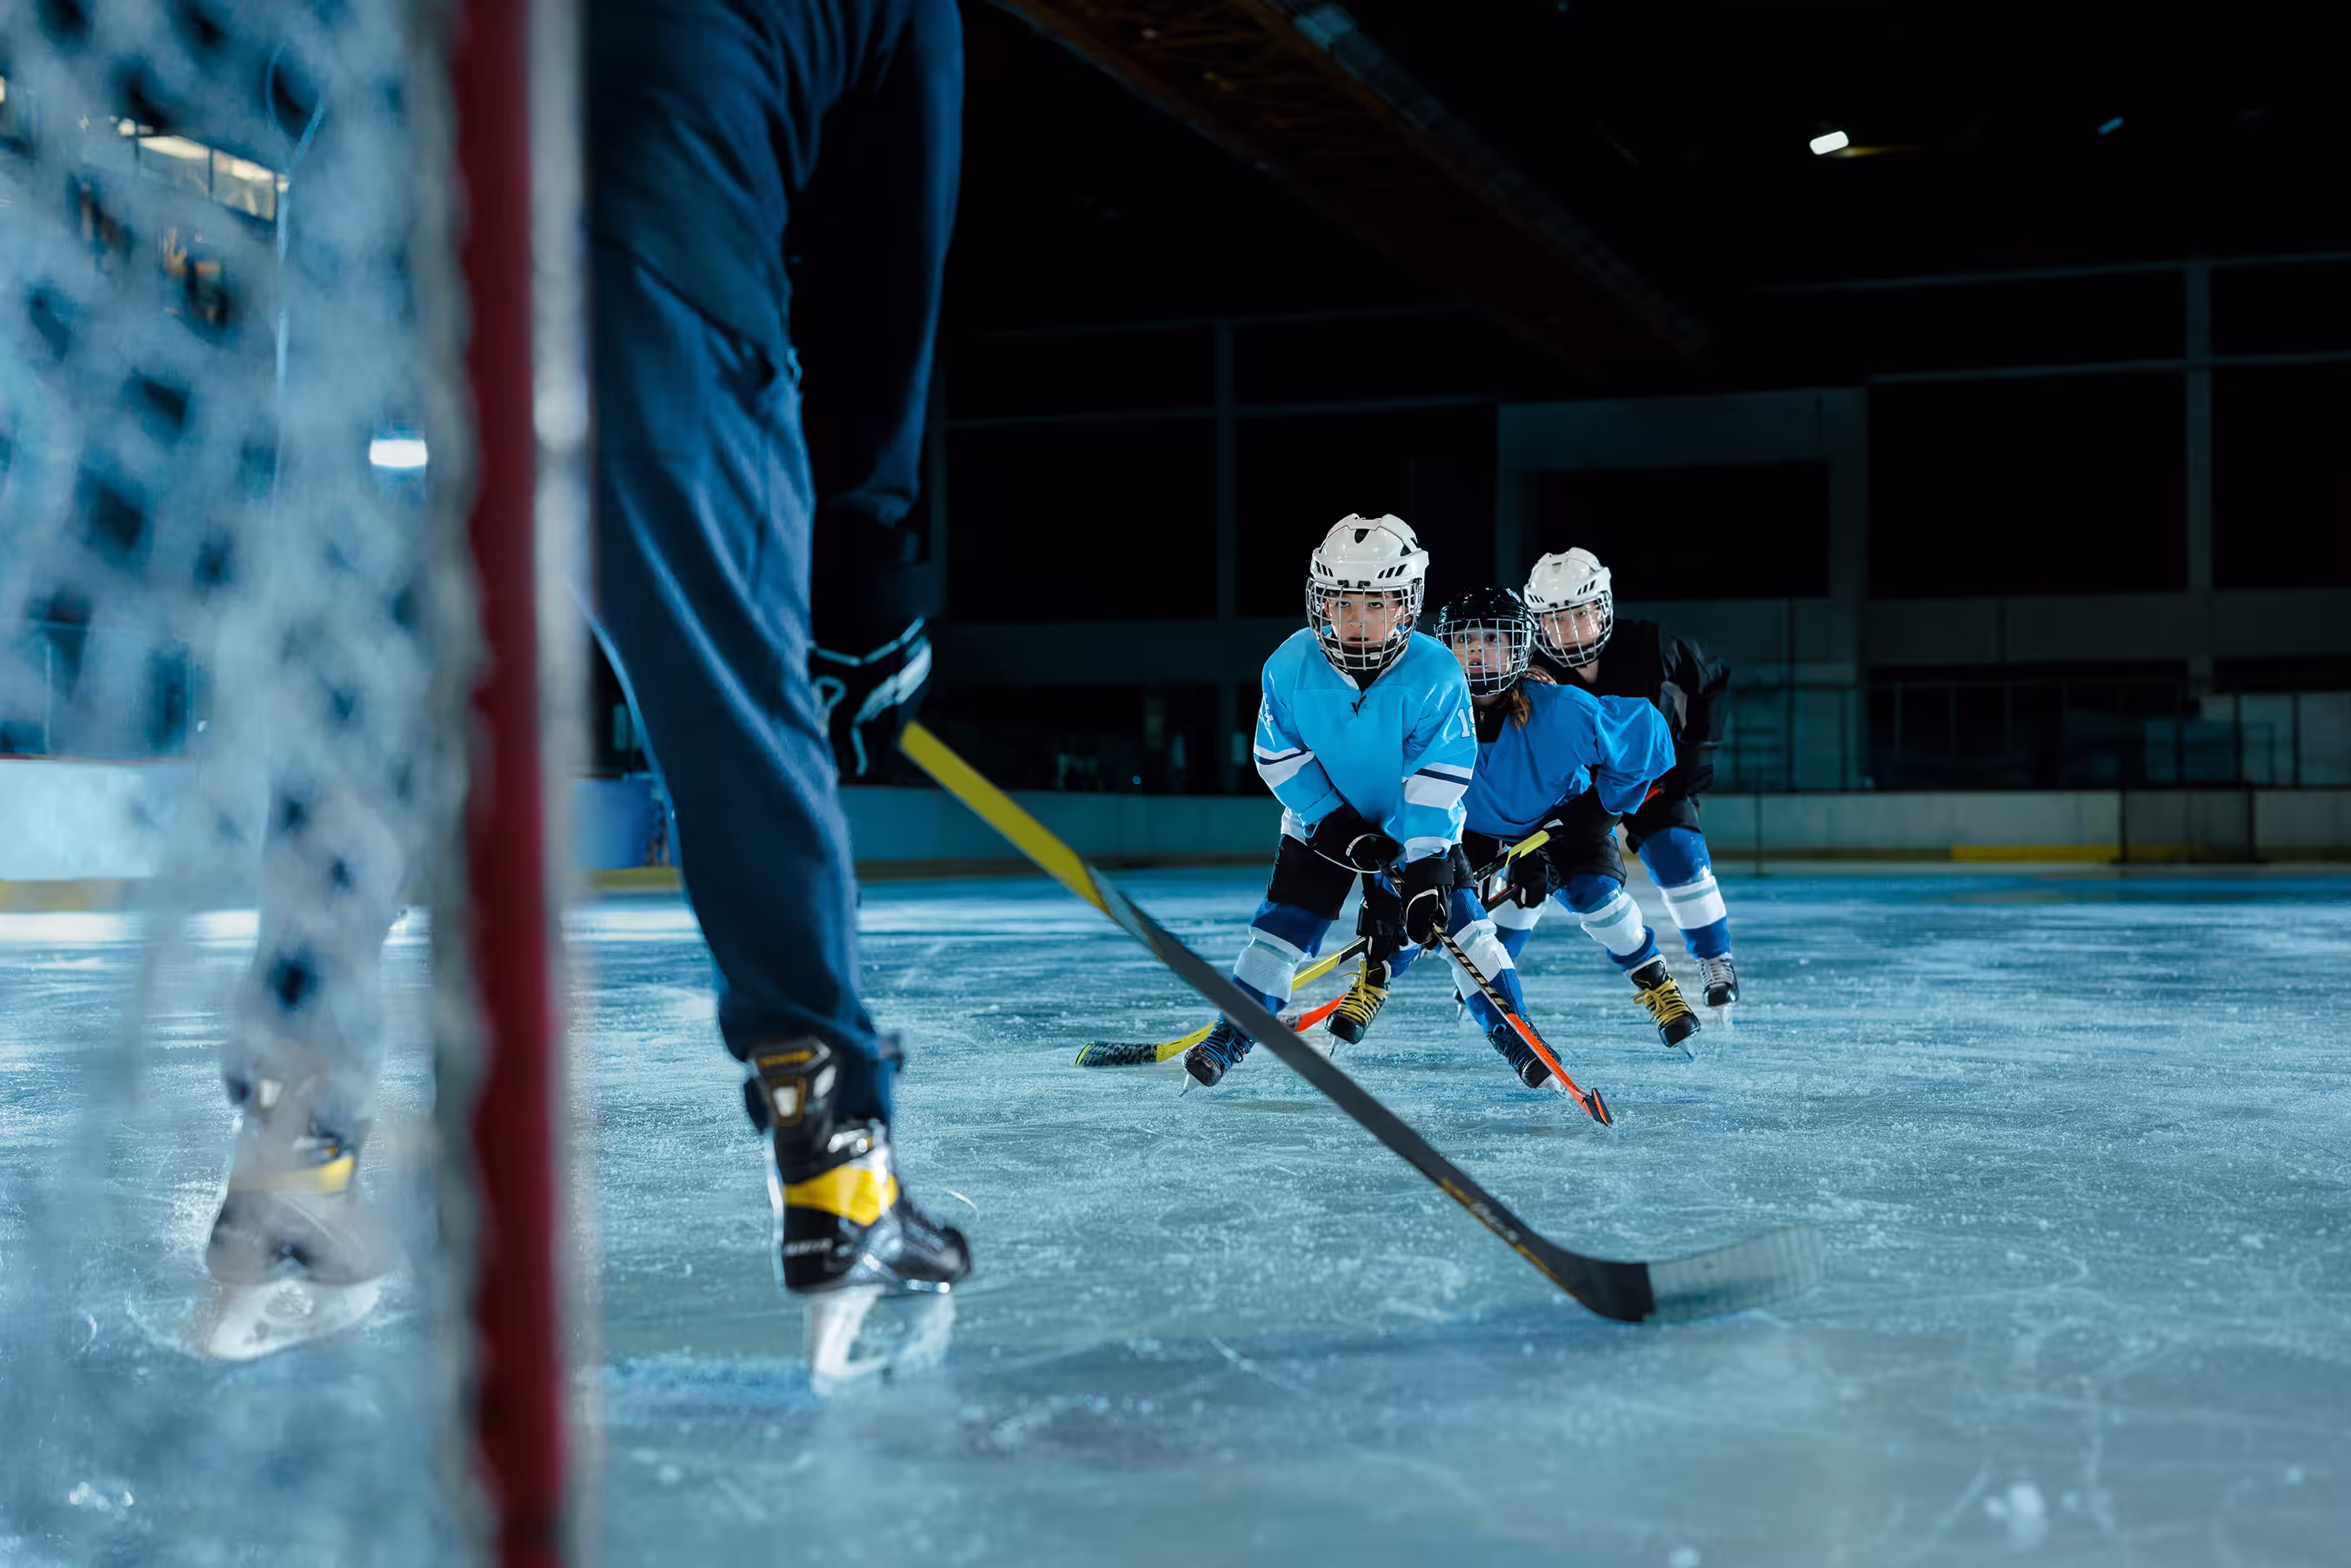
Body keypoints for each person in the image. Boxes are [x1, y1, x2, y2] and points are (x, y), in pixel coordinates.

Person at [206, 0, 971, 1358]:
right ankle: (840, 1177)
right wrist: (864, 588)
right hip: (647, 263)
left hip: (377, 264)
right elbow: (884, 269)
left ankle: (290, 1169)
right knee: (739, 726)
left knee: (364, 718)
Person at [1184, 516, 1554, 1093]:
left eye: (1376, 605)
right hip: (1319, 826)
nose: (1358, 621)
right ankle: (1234, 1032)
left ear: (1406, 606)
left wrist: (1428, 861)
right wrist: (1333, 824)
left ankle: (1516, 1033)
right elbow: (1278, 756)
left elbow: (1440, 772)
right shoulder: (1288, 666)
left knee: (1464, 929)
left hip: (1414, 826)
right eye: (1343, 604)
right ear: (1320, 603)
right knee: (1281, 930)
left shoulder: (1436, 672)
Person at [1428, 588, 1697, 1053]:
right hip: (1474, 830)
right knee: (1440, 915)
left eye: (1492, 639)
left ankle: (1655, 980)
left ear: (1517, 648)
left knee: (1601, 902)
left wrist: (1600, 809)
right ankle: (1379, 976)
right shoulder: (1430, 711)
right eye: (1464, 641)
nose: (1476, 653)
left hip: (1562, 825)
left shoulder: (1561, 709)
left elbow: (1647, 733)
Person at [1522, 548, 1740, 1016]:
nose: (1568, 630)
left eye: (1578, 614)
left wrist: (1698, 753)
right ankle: (1487, 969)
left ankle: (1715, 958)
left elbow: (1713, 676)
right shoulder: (1528, 670)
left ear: (1602, 608)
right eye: (1554, 619)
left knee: (1677, 851)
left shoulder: (1651, 645)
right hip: (1573, 796)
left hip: (1647, 782)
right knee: (1527, 872)